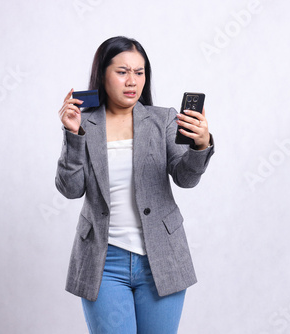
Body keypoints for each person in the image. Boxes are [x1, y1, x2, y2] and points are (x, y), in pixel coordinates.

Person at [55, 36, 214, 334]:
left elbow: (186, 178)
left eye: (139, 73)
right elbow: (70, 188)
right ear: (102, 74)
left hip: (161, 258)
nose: (132, 81)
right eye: (122, 71)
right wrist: (72, 135)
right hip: (103, 263)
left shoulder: (162, 119)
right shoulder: (85, 123)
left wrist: (200, 145)